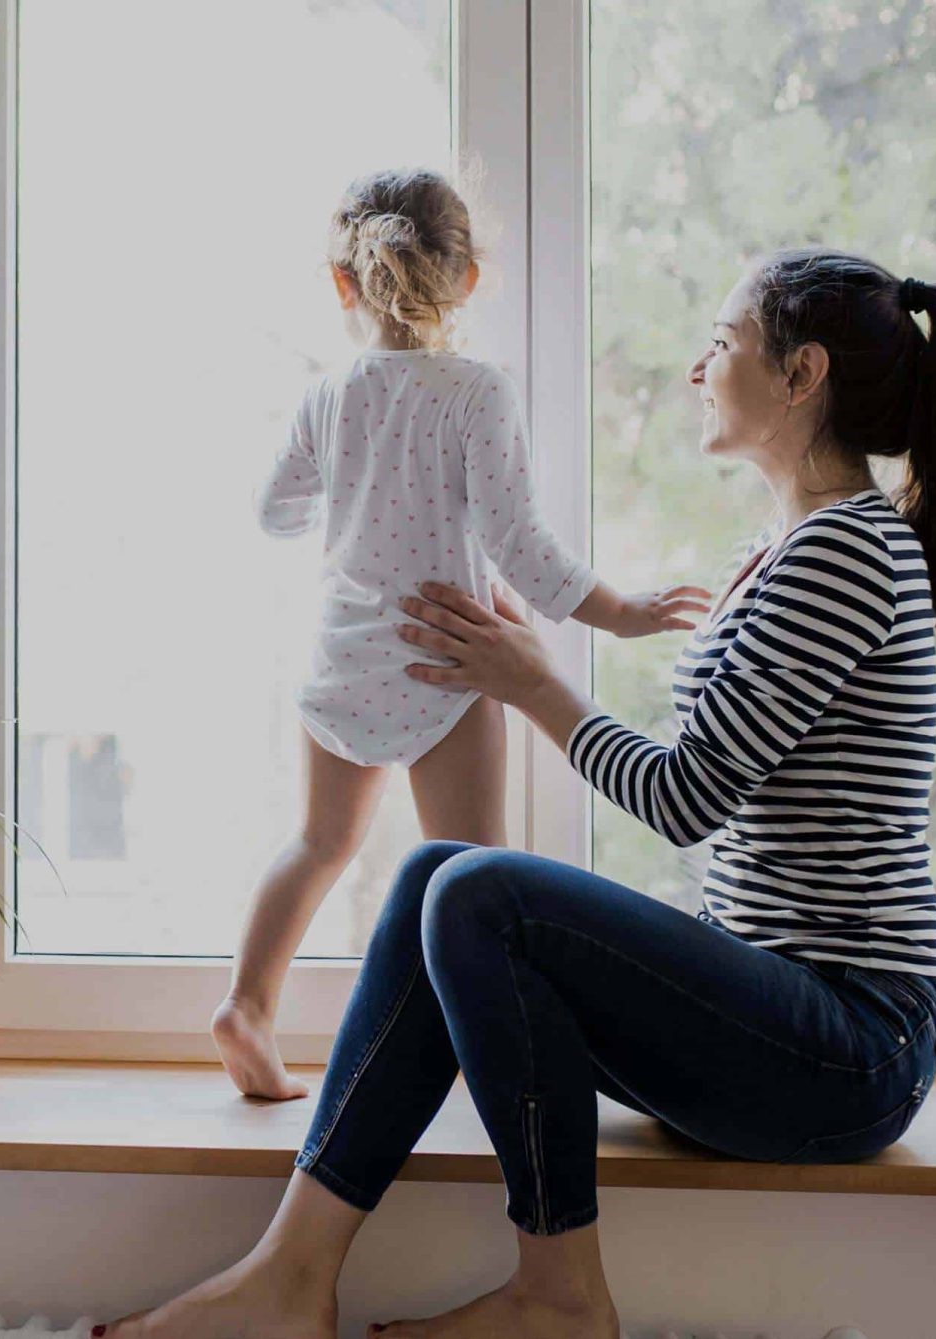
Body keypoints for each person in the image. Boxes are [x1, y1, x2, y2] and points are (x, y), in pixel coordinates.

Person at [122, 248, 936, 1338]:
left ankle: (558, 1295)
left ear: (800, 374)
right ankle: (290, 1274)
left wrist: (530, 683)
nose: (697, 366)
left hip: (849, 1044)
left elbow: (687, 796)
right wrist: (525, 663)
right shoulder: (782, 550)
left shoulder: (845, 555)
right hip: (780, 1011)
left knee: (480, 892)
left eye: (723, 342)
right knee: (441, 873)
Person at [216, 167, 708, 1100]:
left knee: (319, 844)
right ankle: (471, 1056)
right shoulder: (478, 395)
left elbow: (273, 509)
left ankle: (246, 1003)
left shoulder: (331, 395)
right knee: (473, 877)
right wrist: (627, 612)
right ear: (469, 278)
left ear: (342, 283)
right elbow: (523, 550)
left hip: (344, 657)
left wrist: (350, 491)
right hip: (448, 657)